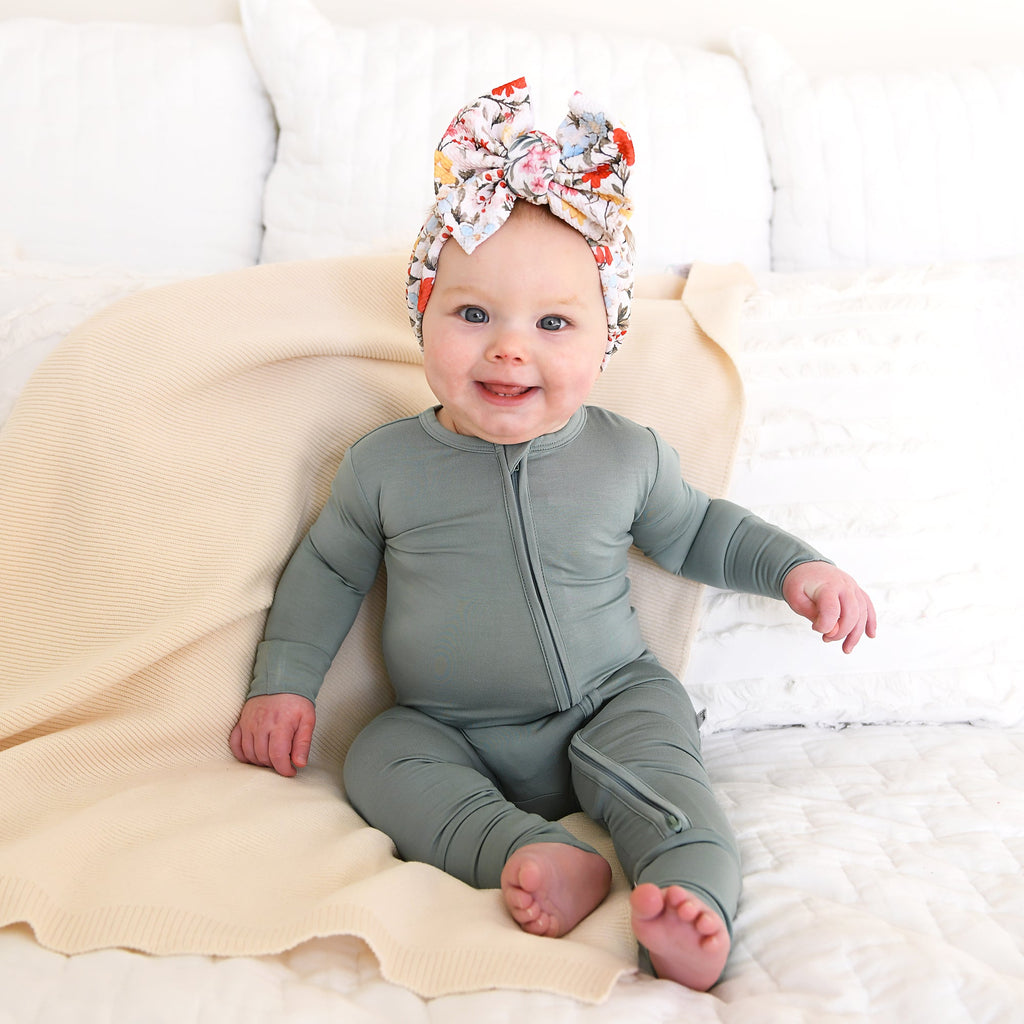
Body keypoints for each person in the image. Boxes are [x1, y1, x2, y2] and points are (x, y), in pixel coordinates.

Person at [229, 78, 876, 991]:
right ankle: (531, 854)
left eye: (553, 323)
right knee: (378, 758)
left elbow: (701, 532)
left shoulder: (625, 454)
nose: (509, 347)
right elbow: (326, 574)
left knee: (669, 784)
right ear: (422, 316)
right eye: (472, 314)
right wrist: (283, 685)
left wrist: (795, 569)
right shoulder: (384, 466)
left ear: (606, 337)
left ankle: (690, 898)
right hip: (449, 724)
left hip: (611, 700)